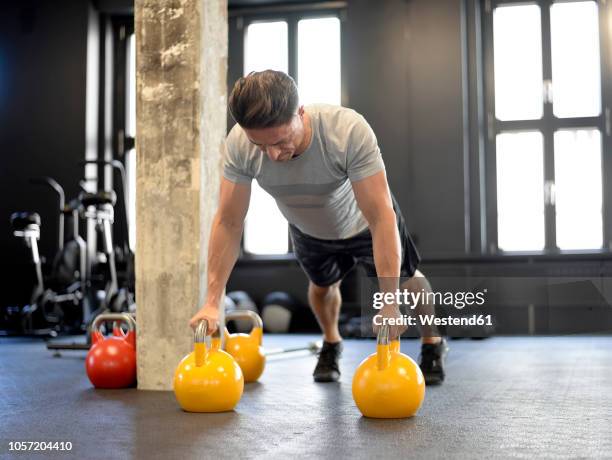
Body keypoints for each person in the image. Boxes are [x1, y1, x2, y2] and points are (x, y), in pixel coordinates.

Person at [189, 70, 448, 384]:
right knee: (322, 288)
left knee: (408, 281)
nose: (273, 155)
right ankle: (331, 342)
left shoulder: (346, 131)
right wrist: (212, 301)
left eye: (281, 141)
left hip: (364, 223)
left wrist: (389, 303)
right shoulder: (239, 145)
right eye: (261, 146)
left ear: (301, 113)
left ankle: (432, 342)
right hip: (308, 229)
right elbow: (228, 222)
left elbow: (381, 216)